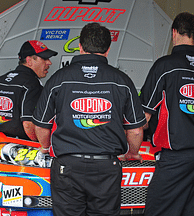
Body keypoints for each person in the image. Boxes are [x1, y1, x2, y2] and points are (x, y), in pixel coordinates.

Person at [33, 23, 146, 216]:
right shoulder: (122, 81)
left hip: (67, 167)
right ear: (108, 49)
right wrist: (133, 153)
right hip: (106, 168)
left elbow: (41, 124)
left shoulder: (58, 79)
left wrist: (45, 147)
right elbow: (135, 130)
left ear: (80, 46)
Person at [140, 12, 194, 216]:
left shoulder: (163, 67)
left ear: (174, 33)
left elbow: (143, 118)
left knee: (157, 211)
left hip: (175, 157)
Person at [0, 40, 57, 140]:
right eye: (44, 58)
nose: (49, 62)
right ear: (29, 60)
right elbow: (28, 124)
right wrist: (41, 144)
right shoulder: (31, 83)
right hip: (20, 146)